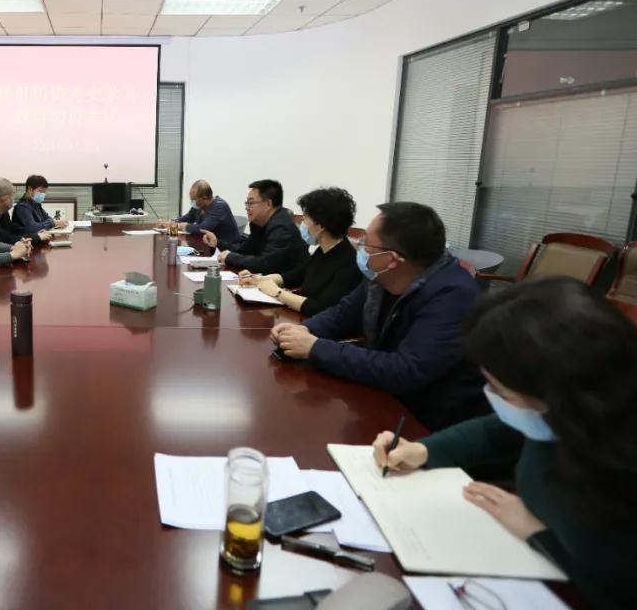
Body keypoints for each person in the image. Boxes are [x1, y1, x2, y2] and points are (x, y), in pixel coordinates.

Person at [371, 278, 637, 609]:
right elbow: (500, 430)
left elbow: (618, 589)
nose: (492, 399)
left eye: (503, 393)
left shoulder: (617, 475)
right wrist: (425, 450)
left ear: (562, 396)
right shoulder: (558, 419)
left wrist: (534, 532)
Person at [272, 202, 487, 431]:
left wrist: (315, 348)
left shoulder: (454, 295)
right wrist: (303, 331)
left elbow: (406, 370)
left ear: (391, 259)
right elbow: (342, 314)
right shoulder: (380, 277)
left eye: (366, 244)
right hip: (384, 398)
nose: (361, 249)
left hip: (429, 422)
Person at [240, 187, 362, 317]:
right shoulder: (323, 250)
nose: (302, 223)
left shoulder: (349, 263)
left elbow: (320, 308)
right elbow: (295, 276)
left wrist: (277, 293)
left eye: (305, 218)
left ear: (321, 225)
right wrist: (259, 279)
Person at [203, 179, 307, 275]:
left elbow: (266, 264)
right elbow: (244, 250)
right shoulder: (259, 223)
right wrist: (218, 243)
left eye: (251, 203)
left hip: (290, 286)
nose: (247, 208)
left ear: (268, 204)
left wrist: (231, 257)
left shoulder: (281, 227)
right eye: (247, 203)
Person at [159, 180, 240, 244]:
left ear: (204, 198)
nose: (192, 202)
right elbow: (187, 218)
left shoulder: (219, 207)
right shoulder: (199, 206)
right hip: (207, 244)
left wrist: (183, 226)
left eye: (193, 199)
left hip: (226, 248)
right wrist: (171, 222)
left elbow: (203, 229)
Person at [0, 177, 52, 247]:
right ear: (5, 198)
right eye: (13, 195)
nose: (14, 199)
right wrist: (36, 237)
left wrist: (35, 233)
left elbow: (13, 229)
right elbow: (6, 239)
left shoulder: (3, 210)